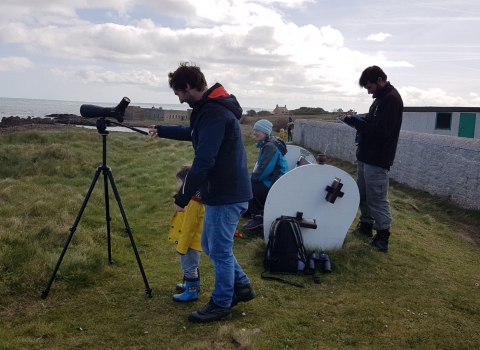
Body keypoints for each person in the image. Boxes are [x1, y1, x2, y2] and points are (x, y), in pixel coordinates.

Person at [148, 62, 255, 323]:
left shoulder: (214, 112)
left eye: (178, 93)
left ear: (187, 86)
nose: (180, 100)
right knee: (210, 245)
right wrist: (162, 130)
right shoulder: (212, 108)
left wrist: (182, 197)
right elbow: (195, 134)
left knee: (218, 250)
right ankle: (241, 286)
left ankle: (221, 304)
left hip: (226, 193)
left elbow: (204, 160)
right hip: (225, 191)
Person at [342, 65, 403, 252]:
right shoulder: (380, 99)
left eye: (370, 87)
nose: (369, 92)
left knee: (377, 198)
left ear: (380, 80)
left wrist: (358, 124)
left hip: (378, 158)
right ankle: (366, 227)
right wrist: (356, 119)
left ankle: (382, 237)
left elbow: (383, 132)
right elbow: (372, 123)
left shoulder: (391, 100)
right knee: (363, 195)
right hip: (366, 155)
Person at [242, 119, 289, 230]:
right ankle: (252, 212)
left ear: (266, 132)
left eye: (258, 130)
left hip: (274, 183)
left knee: (245, 186)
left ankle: (258, 217)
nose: (254, 132)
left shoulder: (270, 146)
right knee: (247, 183)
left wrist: (251, 178)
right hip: (276, 181)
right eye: (254, 129)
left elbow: (265, 169)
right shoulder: (271, 143)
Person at [168, 165, 204, 302]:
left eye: (179, 181)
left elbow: (189, 227)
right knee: (191, 265)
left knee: (189, 266)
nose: (177, 184)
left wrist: (182, 246)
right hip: (191, 241)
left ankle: (191, 291)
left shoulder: (192, 202)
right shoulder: (192, 198)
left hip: (190, 242)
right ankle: (193, 285)